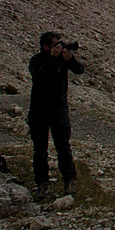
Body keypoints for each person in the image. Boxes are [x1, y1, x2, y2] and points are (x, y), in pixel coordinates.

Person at [28, 31, 84, 193]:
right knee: (40, 149)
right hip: (39, 110)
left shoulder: (62, 59)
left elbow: (79, 70)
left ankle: (69, 180)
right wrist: (52, 58)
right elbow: (39, 77)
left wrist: (69, 59)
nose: (60, 47)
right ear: (46, 47)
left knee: (63, 147)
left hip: (58, 109)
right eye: (55, 44)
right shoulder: (37, 60)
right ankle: (42, 183)